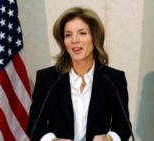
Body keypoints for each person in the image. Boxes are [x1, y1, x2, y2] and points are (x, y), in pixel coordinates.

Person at [26, 7, 132, 141]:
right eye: (68, 34)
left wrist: (108, 139)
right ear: (63, 42)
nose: (74, 40)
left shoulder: (114, 79)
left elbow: (124, 127)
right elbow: (35, 127)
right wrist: (53, 140)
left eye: (82, 33)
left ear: (95, 37)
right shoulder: (47, 79)